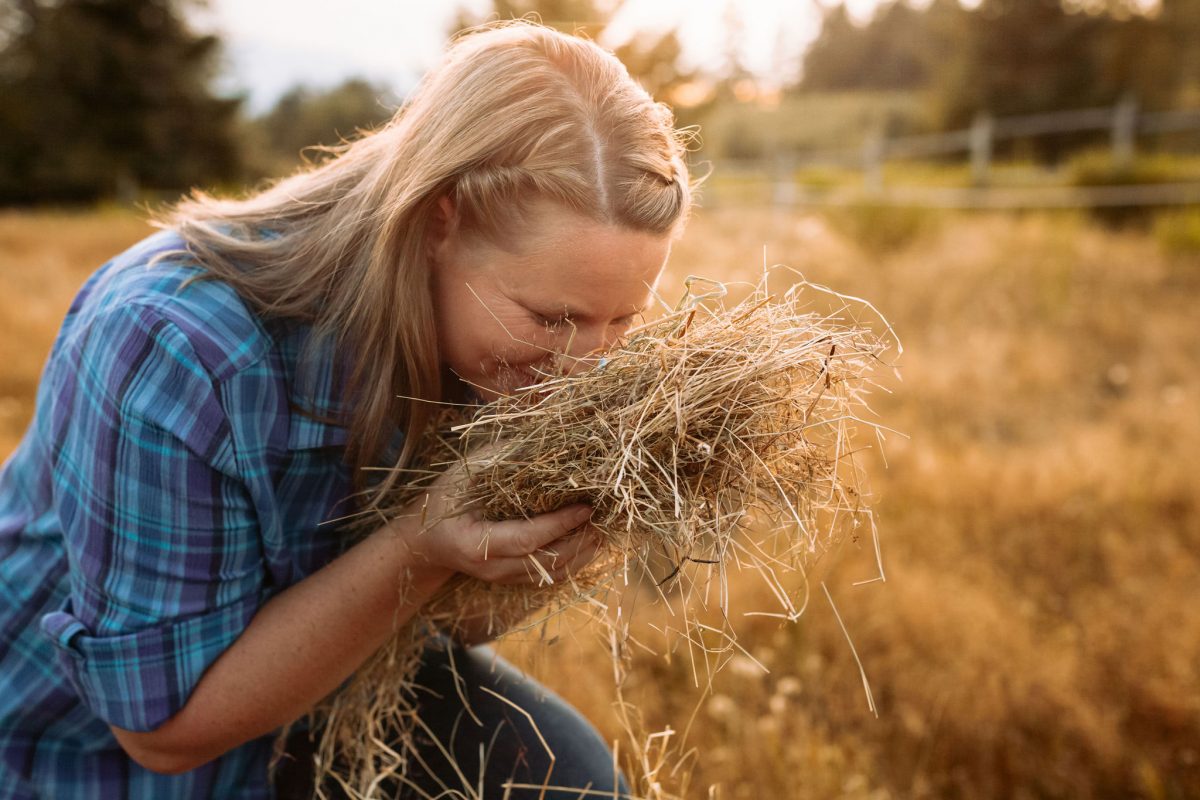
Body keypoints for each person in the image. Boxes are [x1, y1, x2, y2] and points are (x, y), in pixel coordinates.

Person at [0, 19, 695, 800]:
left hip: (326, 691)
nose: (588, 368)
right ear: (440, 221)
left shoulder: (503, 349)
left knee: (565, 781)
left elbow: (457, 624)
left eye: (624, 320)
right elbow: (160, 734)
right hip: (87, 751)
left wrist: (530, 553)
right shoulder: (174, 346)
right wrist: (422, 548)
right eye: (552, 318)